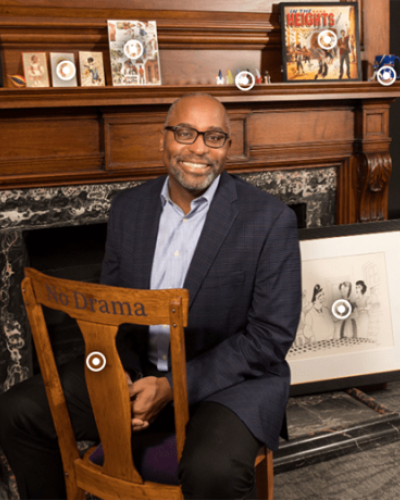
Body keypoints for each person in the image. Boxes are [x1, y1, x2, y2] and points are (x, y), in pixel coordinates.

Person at [0, 93, 301, 500]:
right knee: (19, 412)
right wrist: (115, 371)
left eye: (213, 137)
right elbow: (108, 310)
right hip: (136, 368)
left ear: (228, 147)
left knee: (213, 472)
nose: (198, 147)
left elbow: (270, 335)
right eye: (184, 133)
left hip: (227, 384)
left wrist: (174, 385)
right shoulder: (128, 208)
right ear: (163, 140)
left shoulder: (269, 219)